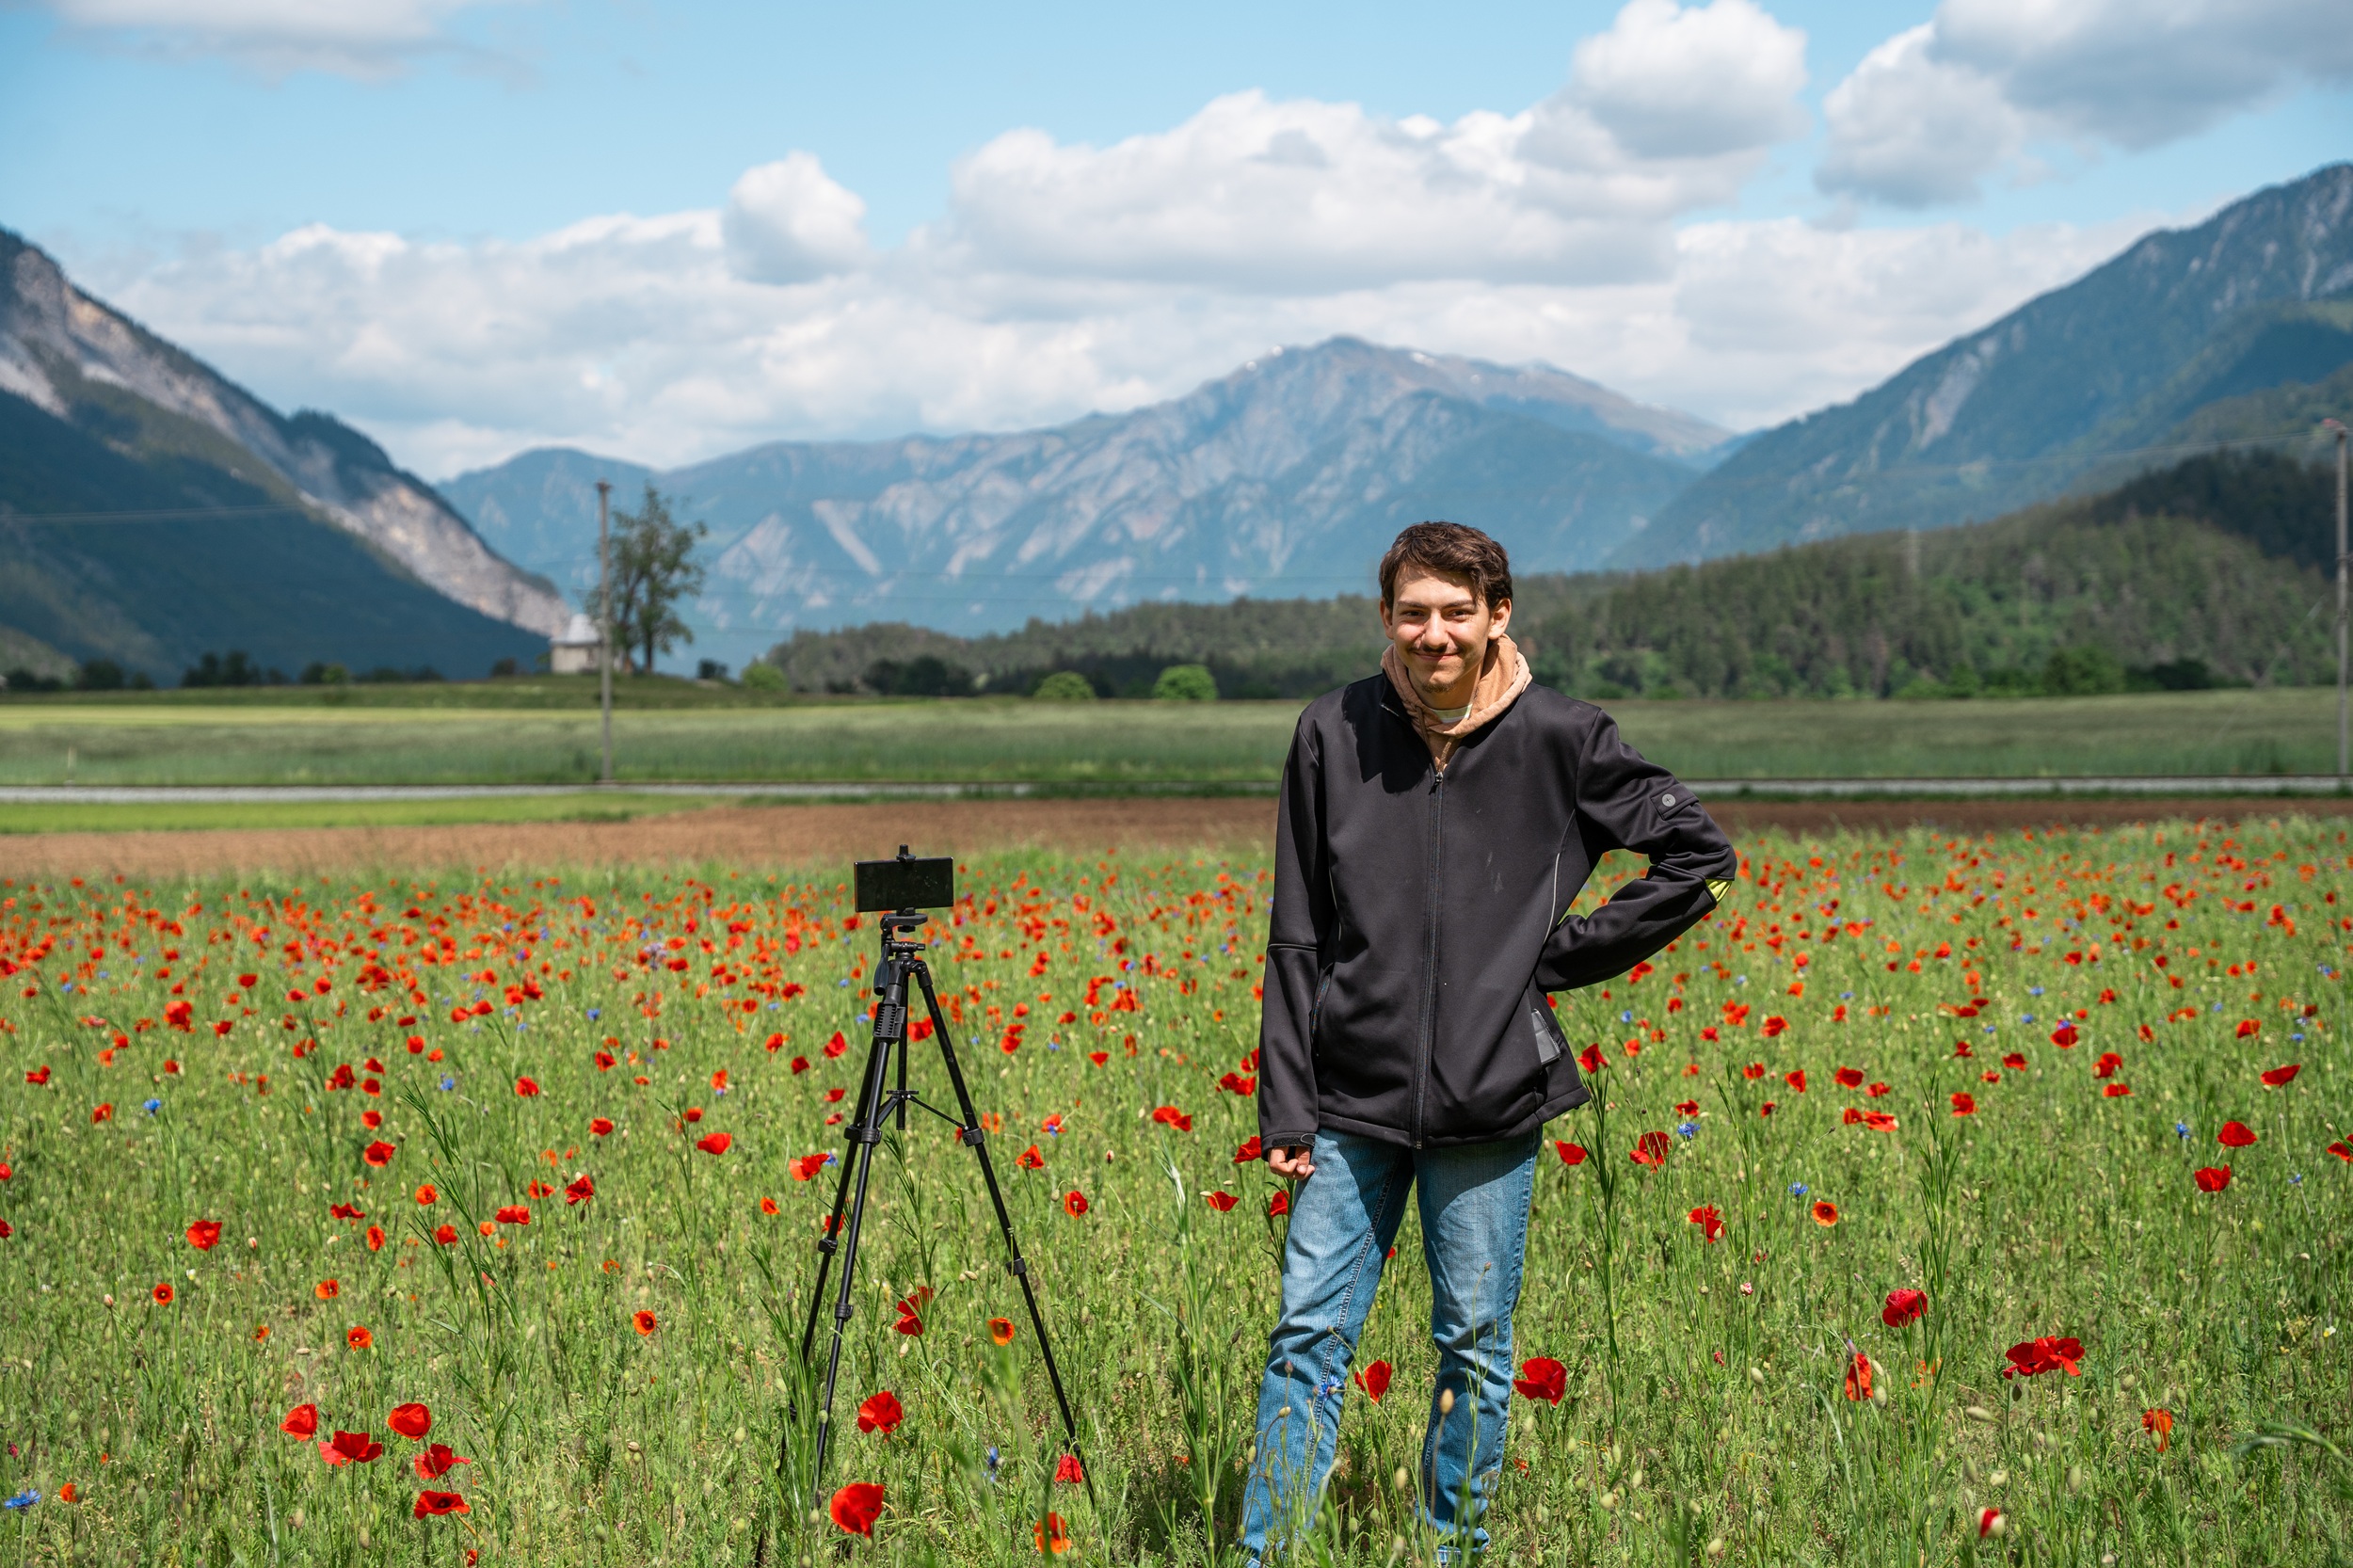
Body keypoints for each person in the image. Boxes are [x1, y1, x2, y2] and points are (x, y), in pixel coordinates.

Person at [1243, 520, 1736, 1561]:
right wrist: (1283, 1101)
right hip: (1346, 1100)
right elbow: (1297, 928)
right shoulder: (1331, 730)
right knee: (1304, 1341)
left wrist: (1556, 958)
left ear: (1496, 615)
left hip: (1490, 1096)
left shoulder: (1565, 736)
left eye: (1456, 611)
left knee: (1471, 1345)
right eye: (1413, 612)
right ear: (1386, 618)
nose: (1434, 633)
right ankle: (1266, 1554)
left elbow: (1699, 855)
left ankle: (1449, 1550)